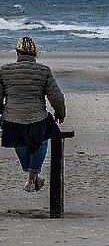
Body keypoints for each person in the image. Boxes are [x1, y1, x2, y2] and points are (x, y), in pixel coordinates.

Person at [0, 36, 66, 193]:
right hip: (37, 119)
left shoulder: (4, 71)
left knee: (19, 140)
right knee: (43, 136)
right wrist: (60, 113)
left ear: (17, 53)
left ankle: (32, 177)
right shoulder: (44, 71)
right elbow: (56, 96)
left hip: (12, 121)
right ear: (35, 53)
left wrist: (4, 111)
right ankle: (33, 177)